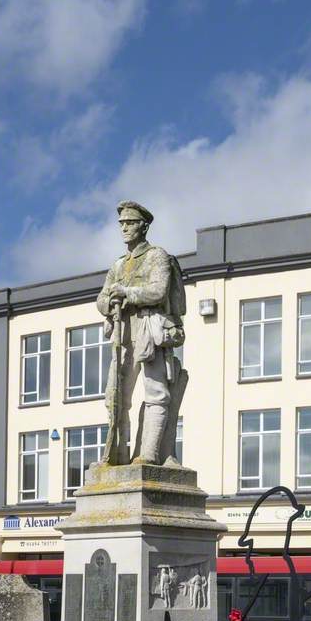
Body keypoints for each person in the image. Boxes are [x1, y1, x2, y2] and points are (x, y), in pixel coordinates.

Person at [96, 200, 188, 466]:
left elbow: (158, 291)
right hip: (123, 336)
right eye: (121, 223)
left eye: (130, 223)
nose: (124, 228)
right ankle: (118, 455)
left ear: (143, 226)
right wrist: (108, 303)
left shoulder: (156, 256)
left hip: (149, 332)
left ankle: (149, 454)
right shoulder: (117, 265)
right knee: (116, 397)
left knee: (156, 393)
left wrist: (127, 293)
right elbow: (101, 299)